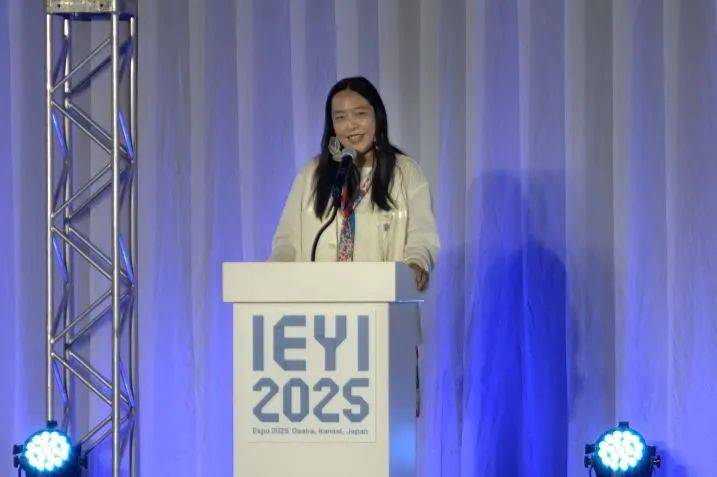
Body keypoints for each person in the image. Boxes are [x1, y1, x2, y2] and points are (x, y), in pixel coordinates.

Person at [269, 76, 440, 291]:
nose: (350, 125)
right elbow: (287, 241)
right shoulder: (312, 173)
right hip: (318, 300)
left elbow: (421, 235)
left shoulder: (405, 172)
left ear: (377, 116)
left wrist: (416, 264)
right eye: (340, 117)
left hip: (379, 298)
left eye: (360, 114)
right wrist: (271, 279)